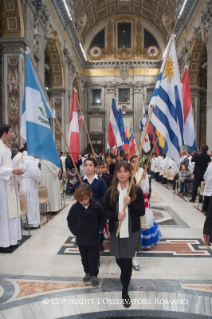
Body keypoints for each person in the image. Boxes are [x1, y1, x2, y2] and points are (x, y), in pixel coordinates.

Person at [103, 161, 145, 307]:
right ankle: (125, 275)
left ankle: (125, 290)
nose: (122, 174)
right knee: (119, 259)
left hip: (131, 232)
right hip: (117, 231)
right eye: (119, 171)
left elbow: (141, 211)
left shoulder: (136, 191)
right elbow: (104, 212)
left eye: (125, 171)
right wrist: (116, 217)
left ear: (129, 173)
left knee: (127, 262)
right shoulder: (110, 192)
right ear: (115, 174)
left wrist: (131, 202)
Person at [67, 183, 105, 288]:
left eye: (85, 199)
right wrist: (76, 231)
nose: (83, 202)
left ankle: (94, 275)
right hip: (81, 238)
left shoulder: (96, 206)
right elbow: (70, 220)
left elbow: (102, 219)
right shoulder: (75, 208)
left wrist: (99, 229)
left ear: (90, 195)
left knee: (93, 257)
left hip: (93, 238)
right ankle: (87, 272)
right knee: (84, 257)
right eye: (80, 200)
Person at [0, 124, 23, 252]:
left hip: (9, 184)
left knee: (11, 213)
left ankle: (11, 240)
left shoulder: (5, 147)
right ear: (4, 133)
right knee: (4, 214)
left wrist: (14, 171)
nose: (12, 134)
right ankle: (4, 242)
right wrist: (12, 170)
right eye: (10, 132)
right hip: (2, 187)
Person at [19, 143, 41, 228]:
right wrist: (39, 176)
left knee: (25, 203)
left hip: (23, 182)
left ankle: (25, 222)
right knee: (31, 203)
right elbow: (35, 174)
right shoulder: (30, 160)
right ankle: (32, 223)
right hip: (30, 183)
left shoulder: (22, 158)